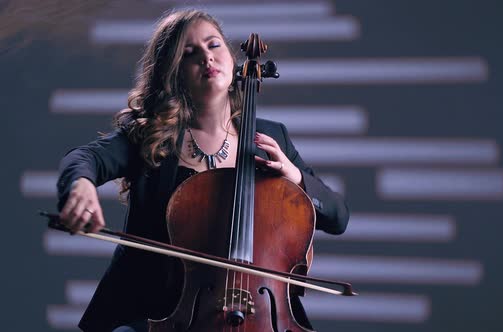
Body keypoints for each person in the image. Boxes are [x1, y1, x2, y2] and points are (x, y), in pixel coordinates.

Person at [57, 9, 349, 332]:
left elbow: (338, 217)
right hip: (161, 317)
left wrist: (294, 177)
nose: (206, 58)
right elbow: (85, 158)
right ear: (173, 73)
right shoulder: (152, 136)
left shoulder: (272, 138)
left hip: (262, 316)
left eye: (214, 45)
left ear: (232, 60)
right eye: (189, 53)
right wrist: (80, 184)